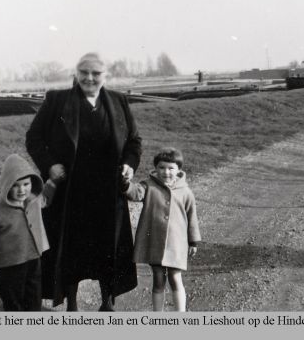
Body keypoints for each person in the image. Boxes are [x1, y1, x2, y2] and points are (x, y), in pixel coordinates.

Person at [25, 52, 142, 311]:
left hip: (108, 193)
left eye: (96, 73)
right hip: (71, 192)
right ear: (76, 74)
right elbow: (34, 138)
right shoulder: (57, 100)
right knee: (70, 249)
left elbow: (134, 141)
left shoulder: (118, 101)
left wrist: (129, 165)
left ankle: (107, 301)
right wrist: (50, 165)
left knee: (108, 247)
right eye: (83, 72)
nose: (89, 78)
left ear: (105, 76)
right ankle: (72, 305)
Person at [0, 153, 57, 311]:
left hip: (33, 260)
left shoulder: (33, 201)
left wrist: (52, 184)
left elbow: (45, 200)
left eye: (26, 184)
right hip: (10, 266)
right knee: (13, 301)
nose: (22, 190)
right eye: (15, 185)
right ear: (6, 186)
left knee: (33, 297)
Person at [123, 147, 201, 311]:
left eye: (171, 168)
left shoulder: (185, 192)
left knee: (175, 277)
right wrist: (125, 185)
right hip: (155, 243)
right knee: (158, 279)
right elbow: (136, 193)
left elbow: (192, 216)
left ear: (179, 170)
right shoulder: (148, 186)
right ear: (156, 168)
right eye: (162, 168)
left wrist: (193, 241)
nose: (166, 172)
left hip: (176, 244)